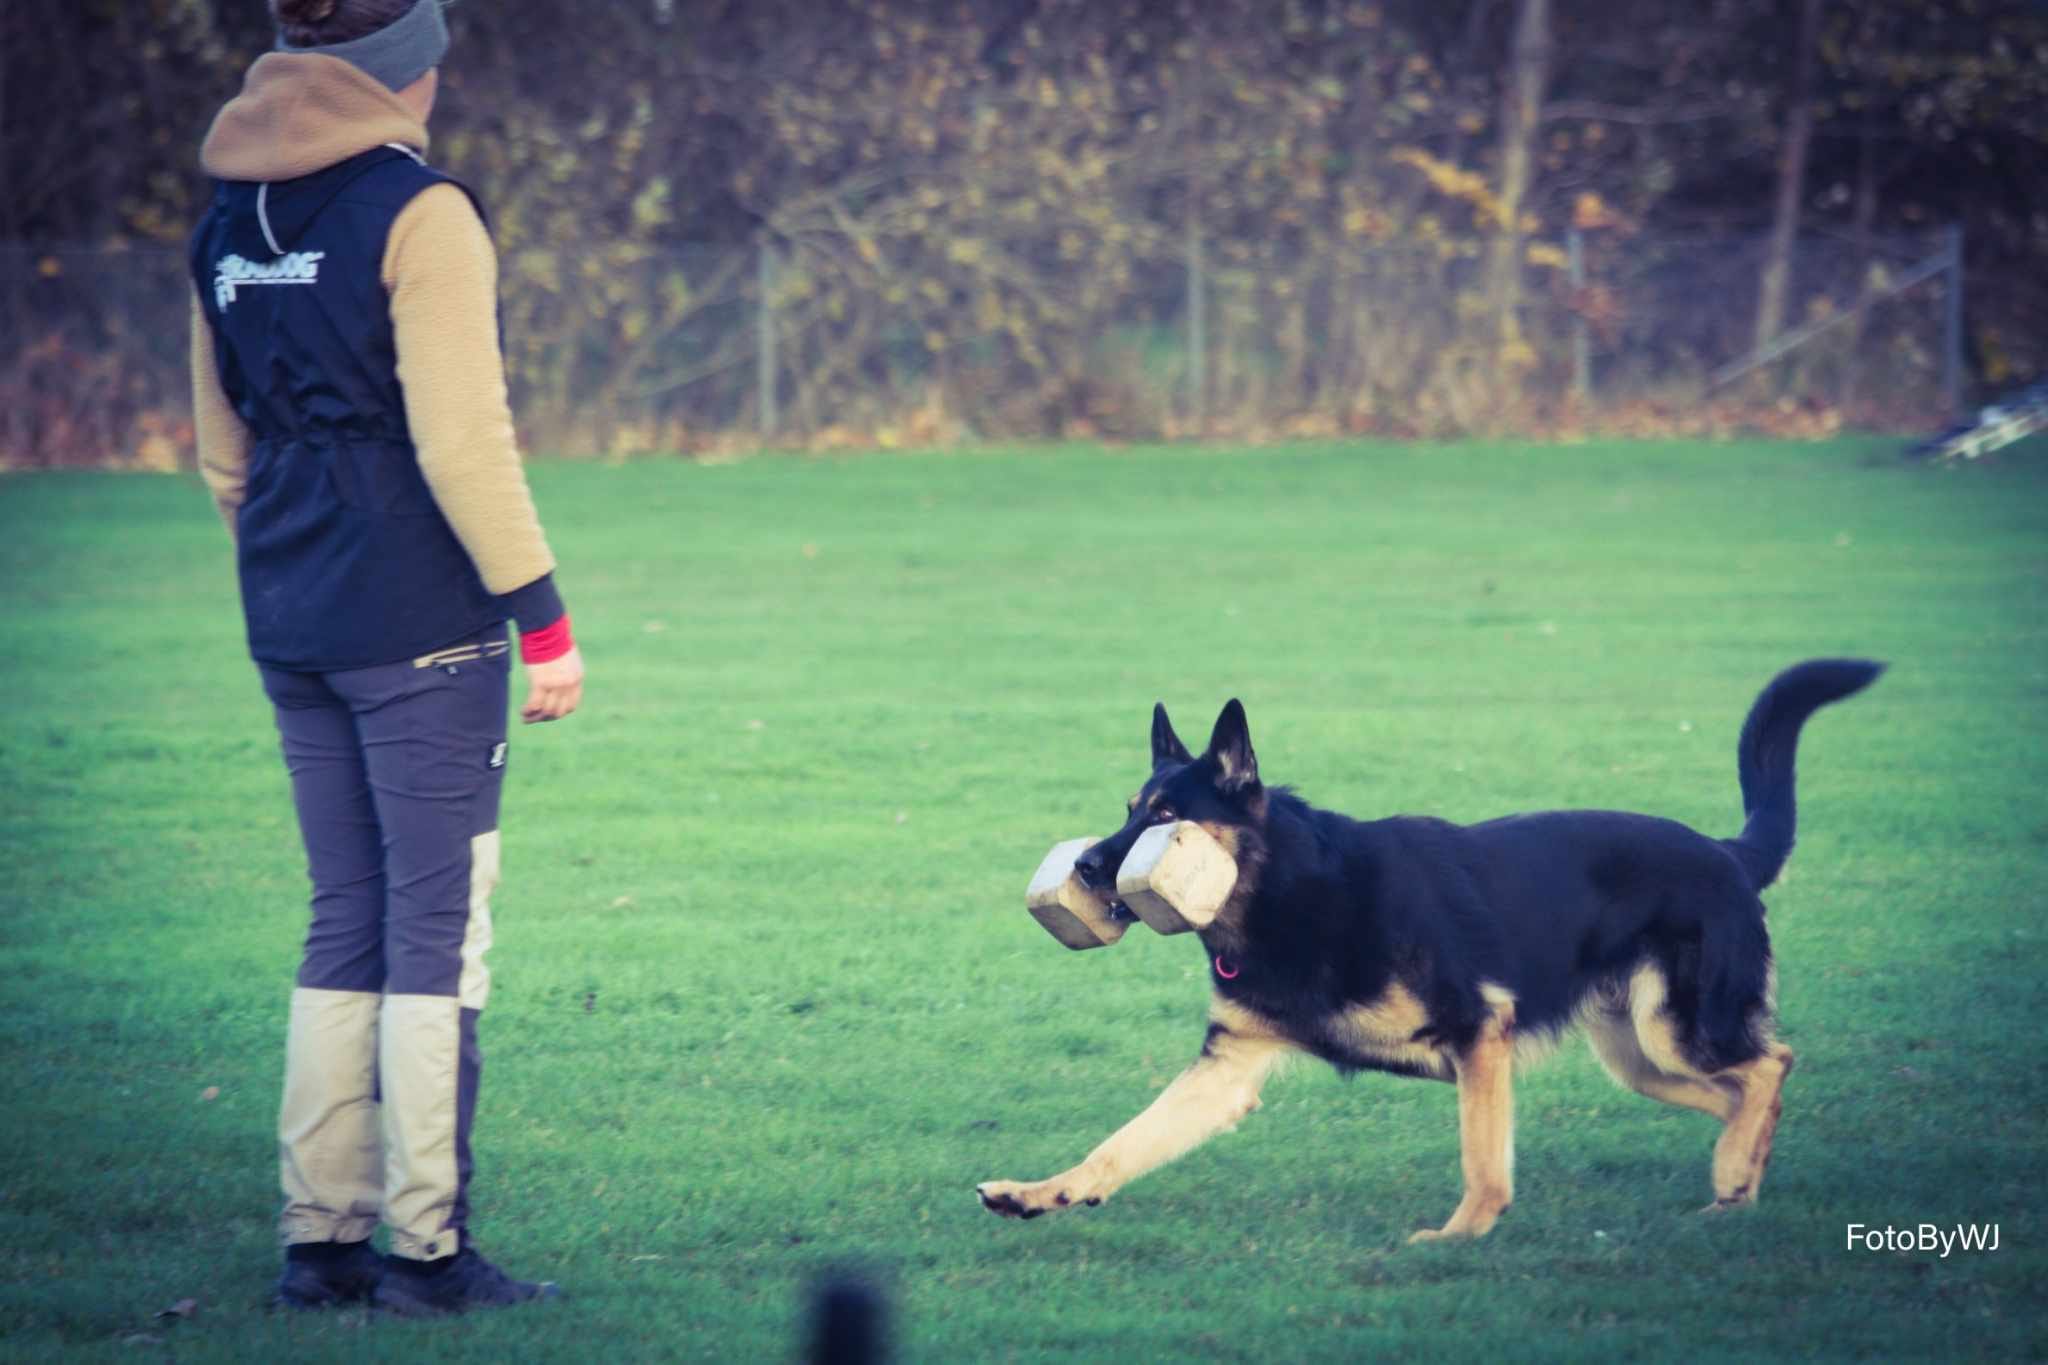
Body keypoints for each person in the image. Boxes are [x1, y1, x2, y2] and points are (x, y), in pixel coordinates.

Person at [187, 0, 583, 1316]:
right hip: (423, 624)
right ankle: (426, 1251)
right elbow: (463, 440)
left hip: (290, 612)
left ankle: (321, 1242)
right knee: (434, 927)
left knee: (342, 912)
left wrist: (301, 569)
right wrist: (543, 618)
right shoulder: (424, 212)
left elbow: (224, 456)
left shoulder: (224, 217)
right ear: (404, 73)